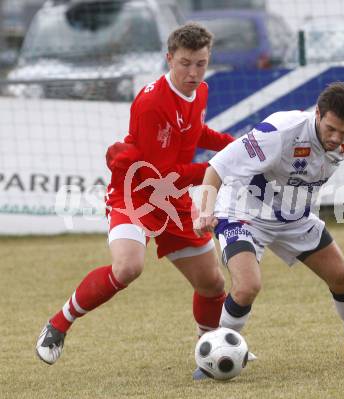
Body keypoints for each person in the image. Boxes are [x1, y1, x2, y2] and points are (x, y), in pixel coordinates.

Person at [36, 23, 236, 372]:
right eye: (185, 63)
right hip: (136, 190)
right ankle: (59, 323)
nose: (193, 72)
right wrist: (216, 167)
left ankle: (210, 350)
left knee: (212, 282)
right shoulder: (151, 103)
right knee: (128, 268)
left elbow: (194, 132)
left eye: (201, 63)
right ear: (169, 58)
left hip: (171, 197)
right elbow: (160, 174)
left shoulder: (200, 91)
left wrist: (231, 145)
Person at [194, 82, 344, 367]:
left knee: (342, 278)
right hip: (243, 212)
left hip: (294, 217)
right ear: (317, 113)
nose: (336, 138)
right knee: (247, 286)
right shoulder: (279, 133)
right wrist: (205, 211)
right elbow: (216, 168)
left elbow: (338, 144)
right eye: (330, 128)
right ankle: (214, 358)